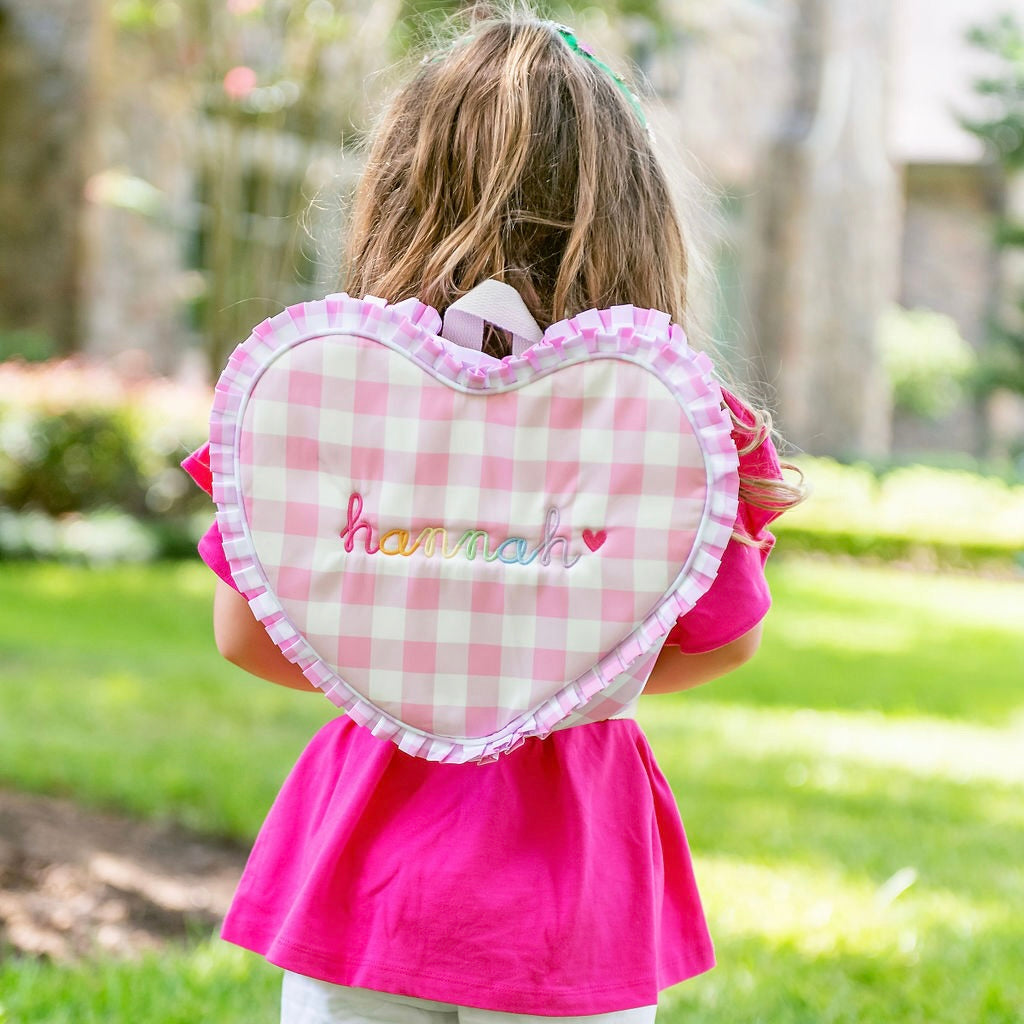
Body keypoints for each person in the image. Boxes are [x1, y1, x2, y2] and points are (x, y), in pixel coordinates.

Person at [183, 9, 804, 1023]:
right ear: (639, 217)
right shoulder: (676, 422)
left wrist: (401, 671)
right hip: (572, 873)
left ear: (394, 198)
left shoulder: (326, 402)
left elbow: (243, 634)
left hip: (366, 866)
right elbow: (726, 639)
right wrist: (578, 676)